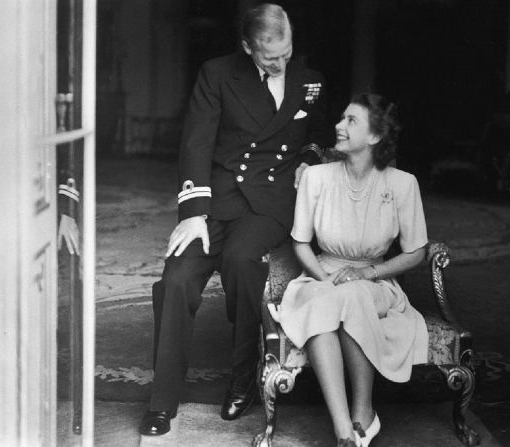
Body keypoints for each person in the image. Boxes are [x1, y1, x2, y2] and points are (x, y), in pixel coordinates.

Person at [139, 3, 333, 436]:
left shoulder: (311, 81)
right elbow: (196, 143)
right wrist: (192, 214)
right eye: (269, 57)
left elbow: (318, 131)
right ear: (247, 47)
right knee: (176, 278)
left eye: (286, 53)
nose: (280, 63)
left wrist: (309, 158)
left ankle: (243, 374)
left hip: (270, 204)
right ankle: (162, 400)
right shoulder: (217, 74)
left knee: (244, 261)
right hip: (217, 199)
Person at [277, 93, 429, 447]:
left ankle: (364, 411)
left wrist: (368, 275)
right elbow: (301, 242)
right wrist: (323, 278)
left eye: (351, 121)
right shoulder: (316, 178)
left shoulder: (403, 184)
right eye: (341, 118)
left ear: (374, 137)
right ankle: (344, 428)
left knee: (353, 294)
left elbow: (417, 252)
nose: (338, 126)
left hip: (374, 281)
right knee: (328, 301)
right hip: (321, 276)